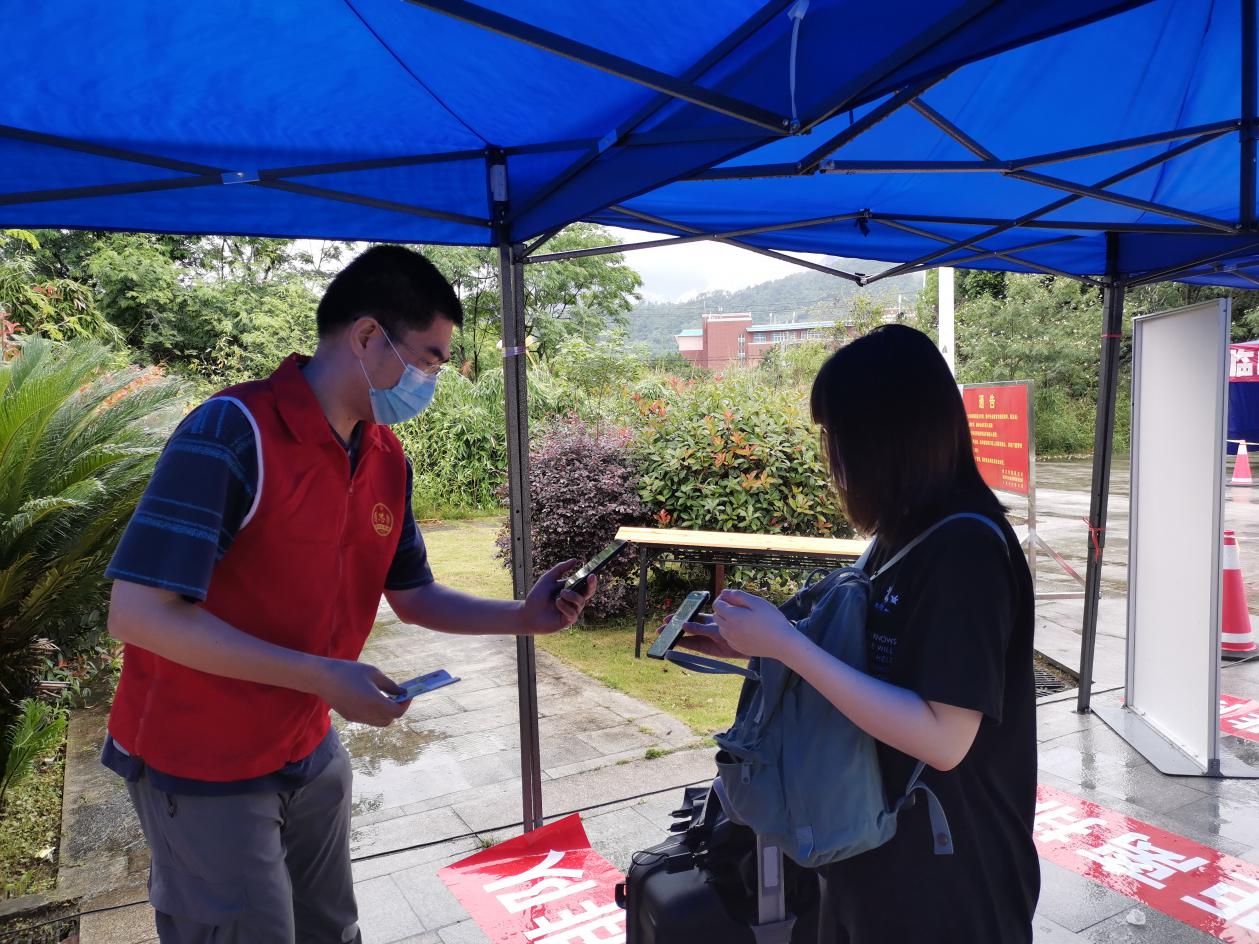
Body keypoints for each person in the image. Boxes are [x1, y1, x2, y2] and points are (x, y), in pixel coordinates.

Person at [102, 245, 596, 944]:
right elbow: (140, 613)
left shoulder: (384, 455)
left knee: (331, 929)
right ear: (367, 336)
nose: (429, 382)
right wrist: (321, 675)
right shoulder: (232, 432)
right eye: (427, 360)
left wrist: (523, 616)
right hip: (202, 758)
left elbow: (414, 595)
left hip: (307, 743)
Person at [676, 324, 1039, 942]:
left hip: (951, 881)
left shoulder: (966, 552)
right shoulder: (902, 534)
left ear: (889, 437)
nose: (833, 459)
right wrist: (757, 646)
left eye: (839, 436)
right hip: (871, 852)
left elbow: (943, 739)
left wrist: (788, 645)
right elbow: (862, 668)